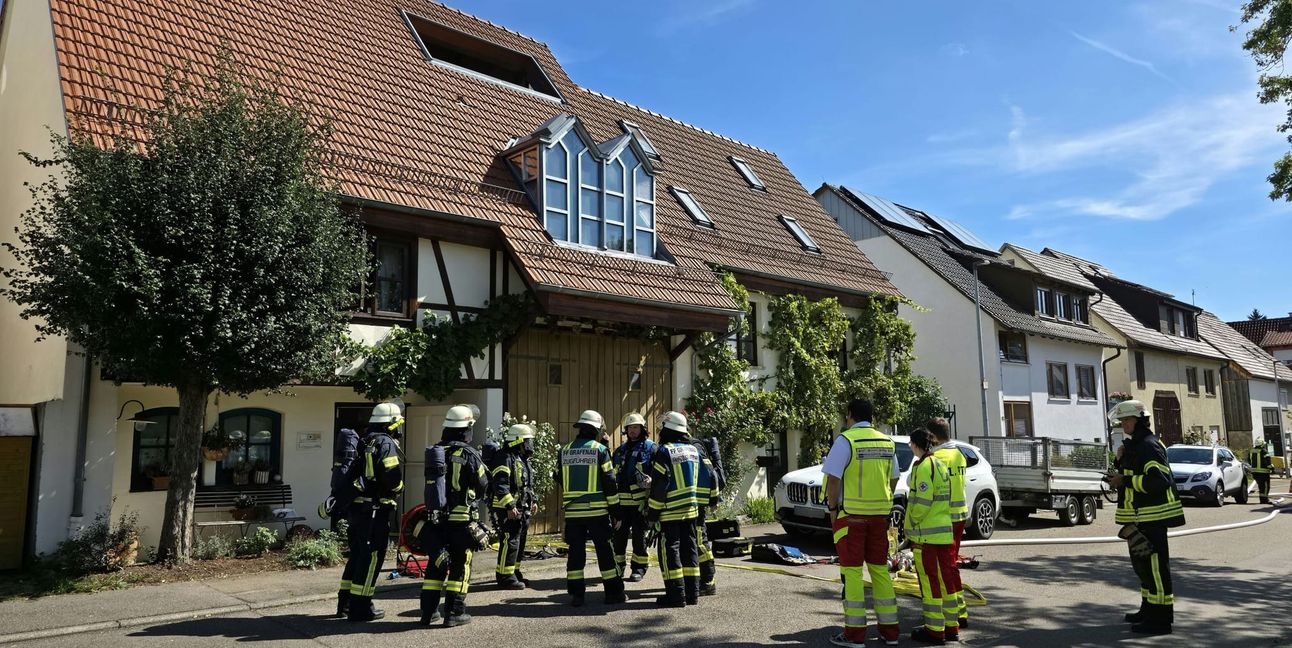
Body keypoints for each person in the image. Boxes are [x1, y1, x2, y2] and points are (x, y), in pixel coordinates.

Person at [823, 399, 901, 648]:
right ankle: (890, 633)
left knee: (853, 572)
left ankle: (855, 635)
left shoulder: (846, 440)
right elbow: (894, 479)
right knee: (880, 571)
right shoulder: (887, 441)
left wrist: (833, 509)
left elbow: (833, 480)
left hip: (851, 517)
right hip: (880, 516)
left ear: (850, 416)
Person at [1106, 400, 1185, 636]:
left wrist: (1125, 481)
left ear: (1139, 421)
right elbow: (1133, 472)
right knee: (1143, 567)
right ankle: (1148, 610)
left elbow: (1159, 481)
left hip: (1152, 517)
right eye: (1121, 421)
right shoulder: (1136, 445)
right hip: (1139, 518)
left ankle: (1160, 621)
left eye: (1127, 420)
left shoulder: (1149, 446)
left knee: (1156, 570)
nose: (1123, 424)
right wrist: (1119, 463)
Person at [419, 405, 488, 627]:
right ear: (466, 429)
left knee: (436, 564)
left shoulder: (436, 452)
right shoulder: (469, 454)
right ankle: (454, 613)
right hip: (461, 520)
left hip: (436, 519)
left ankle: (428, 613)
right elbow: (483, 484)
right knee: (460, 563)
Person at [343, 403, 405, 622]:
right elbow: (391, 475)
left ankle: (345, 603)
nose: (399, 429)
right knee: (372, 558)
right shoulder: (385, 443)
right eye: (398, 424)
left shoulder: (363, 440)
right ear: (390, 424)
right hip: (375, 511)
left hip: (358, 509)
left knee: (358, 555)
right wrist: (399, 488)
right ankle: (361, 607)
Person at [559, 410, 625, 606]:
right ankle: (613, 594)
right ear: (596, 429)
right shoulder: (600, 450)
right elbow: (610, 483)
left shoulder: (565, 450)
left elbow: (560, 478)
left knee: (576, 554)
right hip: (597, 511)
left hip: (573, 512)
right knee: (605, 552)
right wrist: (616, 512)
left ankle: (576, 595)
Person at [646, 411, 704, 608]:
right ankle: (693, 594)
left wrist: (652, 515)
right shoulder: (693, 450)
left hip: (669, 511)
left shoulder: (664, 451)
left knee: (670, 552)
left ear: (669, 429)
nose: (661, 431)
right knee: (690, 550)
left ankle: (676, 596)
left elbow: (659, 487)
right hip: (691, 511)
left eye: (663, 428)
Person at [906, 428, 957, 645]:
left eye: (911, 443)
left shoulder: (925, 467)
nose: (910, 447)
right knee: (946, 581)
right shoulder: (940, 464)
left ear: (916, 444)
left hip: (926, 536)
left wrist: (912, 523)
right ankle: (951, 626)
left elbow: (923, 501)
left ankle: (935, 630)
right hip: (944, 533)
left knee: (929, 582)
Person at [928, 417, 969, 632]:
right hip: (960, 516)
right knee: (951, 563)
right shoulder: (959, 455)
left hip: (944, 517)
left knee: (945, 566)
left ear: (933, 436)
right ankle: (958, 610)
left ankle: (956, 612)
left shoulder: (937, 457)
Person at [491, 422, 538, 589]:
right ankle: (505, 577)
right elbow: (501, 484)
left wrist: (534, 500)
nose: (529, 445)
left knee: (519, 540)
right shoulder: (503, 457)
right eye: (527, 441)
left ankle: (514, 572)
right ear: (518, 441)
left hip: (521, 507)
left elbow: (527, 484)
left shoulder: (521, 459)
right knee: (509, 540)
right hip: (508, 507)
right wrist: (509, 506)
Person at [612, 413, 656, 582]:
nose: (632, 430)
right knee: (618, 539)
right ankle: (618, 568)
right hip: (621, 505)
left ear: (643, 429)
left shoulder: (652, 448)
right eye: (629, 428)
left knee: (639, 538)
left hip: (641, 504)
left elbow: (660, 473)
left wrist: (652, 481)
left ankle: (639, 568)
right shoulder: (620, 450)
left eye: (635, 427)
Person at [326, 426, 360, 617]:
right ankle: (355, 607)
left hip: (351, 514)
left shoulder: (346, 461)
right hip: (363, 515)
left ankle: (343, 605)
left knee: (353, 559)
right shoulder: (361, 455)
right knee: (362, 560)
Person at [692, 436, 723, 596]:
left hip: (697, 505)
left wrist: (713, 500)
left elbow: (711, 474)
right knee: (695, 542)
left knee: (700, 542)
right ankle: (699, 580)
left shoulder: (693, 447)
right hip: (690, 505)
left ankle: (708, 582)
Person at [1249, 440, 1273, 505]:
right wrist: (1272, 468)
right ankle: (1265, 500)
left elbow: (1249, 461)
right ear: (1262, 444)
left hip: (1254, 472)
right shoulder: (1264, 451)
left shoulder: (1251, 451)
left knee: (1261, 486)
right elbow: (1268, 461)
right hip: (1263, 472)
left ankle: (1262, 500)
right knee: (1265, 487)